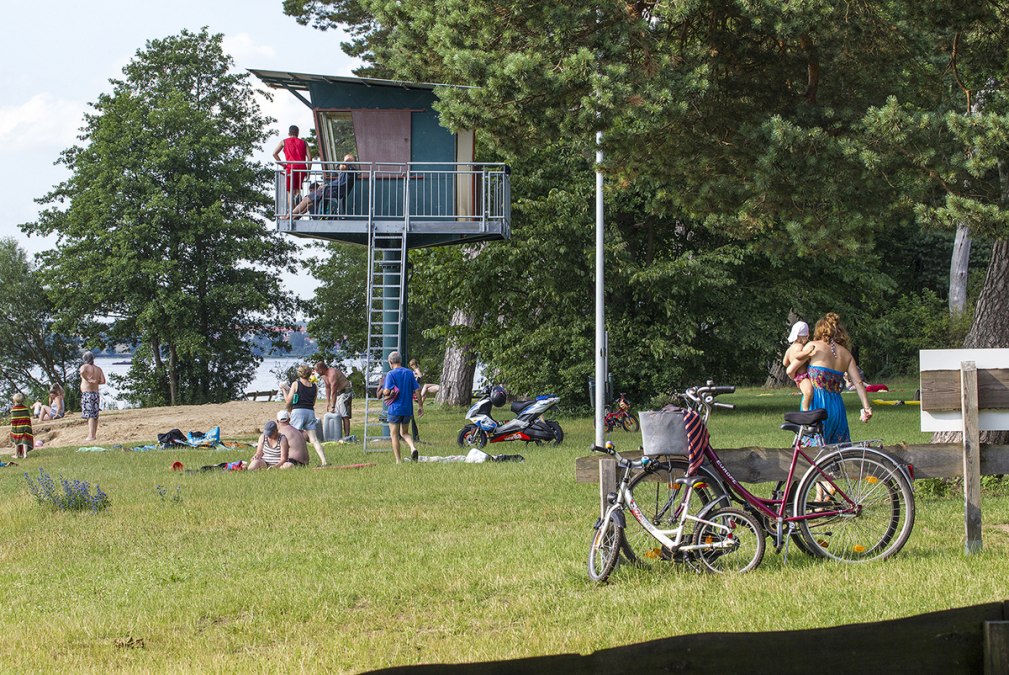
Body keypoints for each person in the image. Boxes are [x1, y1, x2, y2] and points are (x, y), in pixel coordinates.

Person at [786, 312, 873, 444]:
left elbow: (791, 368)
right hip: (837, 407)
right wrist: (867, 408)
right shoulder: (847, 355)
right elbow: (859, 382)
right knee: (837, 454)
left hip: (816, 404)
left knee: (810, 454)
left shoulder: (812, 347)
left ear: (820, 330)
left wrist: (798, 379)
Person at [380, 351, 422, 463]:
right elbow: (417, 390)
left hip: (394, 409)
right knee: (405, 433)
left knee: (394, 435)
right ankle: (413, 448)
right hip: (407, 409)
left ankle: (398, 460)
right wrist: (420, 406)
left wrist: (384, 391)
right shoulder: (409, 373)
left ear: (390, 362)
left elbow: (387, 391)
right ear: (400, 361)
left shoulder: (390, 374)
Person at [284, 364, 328, 466]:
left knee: (292, 436)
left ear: (299, 373)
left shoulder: (296, 384)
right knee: (314, 440)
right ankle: (324, 461)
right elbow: (313, 403)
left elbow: (287, 401)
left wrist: (283, 389)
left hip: (298, 411)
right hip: (310, 412)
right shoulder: (314, 386)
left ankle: (291, 459)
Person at [291, 153, 356, 217]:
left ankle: (289, 216)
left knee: (306, 199)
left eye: (345, 160)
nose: (343, 161)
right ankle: (294, 217)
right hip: (333, 190)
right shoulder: (349, 172)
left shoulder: (350, 170)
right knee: (310, 203)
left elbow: (341, 167)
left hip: (332, 191)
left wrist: (325, 186)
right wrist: (326, 185)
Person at [272, 124, 312, 203]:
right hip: (302, 167)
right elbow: (310, 157)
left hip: (290, 167)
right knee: (297, 188)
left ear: (289, 133)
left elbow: (274, 153)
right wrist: (308, 171)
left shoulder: (284, 142)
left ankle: (292, 212)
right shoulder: (304, 143)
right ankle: (298, 198)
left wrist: (283, 165)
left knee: (290, 191)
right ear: (298, 133)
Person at [782, 321, 814, 411]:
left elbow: (785, 363)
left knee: (807, 392)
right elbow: (798, 355)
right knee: (808, 392)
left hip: (797, 376)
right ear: (800, 337)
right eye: (805, 337)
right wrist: (808, 352)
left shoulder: (789, 349)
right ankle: (805, 409)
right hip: (802, 376)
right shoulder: (799, 346)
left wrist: (792, 363)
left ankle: (806, 408)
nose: (807, 339)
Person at [315, 360, 352, 437]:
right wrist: (328, 402)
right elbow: (327, 388)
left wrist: (333, 406)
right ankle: (337, 436)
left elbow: (333, 392)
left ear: (321, 369)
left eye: (317, 370)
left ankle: (347, 436)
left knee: (344, 415)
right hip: (338, 393)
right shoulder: (324, 375)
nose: (316, 372)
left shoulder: (332, 374)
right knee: (337, 415)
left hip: (345, 392)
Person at [79, 352, 106, 442]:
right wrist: (95, 381)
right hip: (95, 393)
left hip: (87, 393)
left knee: (90, 415)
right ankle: (94, 435)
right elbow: (103, 381)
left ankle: (91, 436)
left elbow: (82, 371)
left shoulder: (85, 366)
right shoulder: (98, 369)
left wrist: (88, 379)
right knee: (95, 415)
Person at [10, 392, 33, 459]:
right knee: (24, 441)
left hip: (17, 428)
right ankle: (25, 454)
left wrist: (13, 429)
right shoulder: (25, 408)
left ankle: (16, 455)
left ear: (14, 400)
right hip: (25, 427)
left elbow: (13, 421)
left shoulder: (13, 410)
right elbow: (27, 418)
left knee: (16, 440)